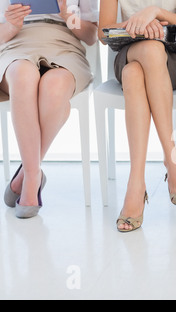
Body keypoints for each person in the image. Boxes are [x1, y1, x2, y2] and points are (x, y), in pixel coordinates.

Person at [98, 0, 176, 232]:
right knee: (142, 58)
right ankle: (171, 160)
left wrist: (157, 13)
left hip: (175, 54)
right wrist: (137, 24)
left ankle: (135, 184)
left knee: (135, 72)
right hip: (131, 49)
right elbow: (103, 33)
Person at [1, 0, 98, 219]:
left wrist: (67, 16)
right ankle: (32, 178)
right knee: (23, 75)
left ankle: (27, 173)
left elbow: (92, 36)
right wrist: (10, 26)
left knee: (53, 88)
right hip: (16, 42)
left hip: (65, 43)